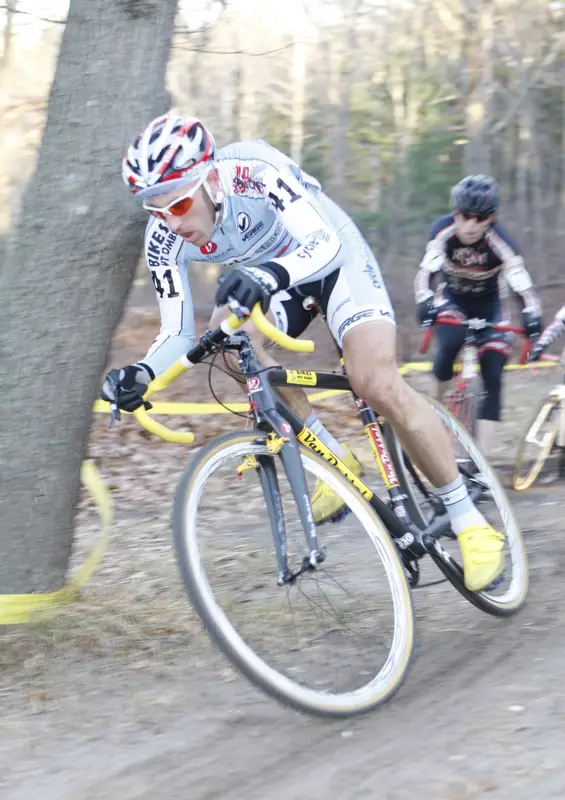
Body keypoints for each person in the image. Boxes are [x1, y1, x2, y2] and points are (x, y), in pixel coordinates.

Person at [103, 115, 506, 591]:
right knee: (227, 342)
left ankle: (469, 522)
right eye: (155, 210)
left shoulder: (253, 170)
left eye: (179, 203)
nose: (170, 220)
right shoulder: (164, 239)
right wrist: (143, 371)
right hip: (272, 279)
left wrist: (268, 274)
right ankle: (334, 460)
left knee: (374, 382)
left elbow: (323, 243)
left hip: (332, 259)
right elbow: (176, 331)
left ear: (210, 179)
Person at [414, 174, 542, 459]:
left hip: (491, 308)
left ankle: (483, 465)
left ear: (491, 219)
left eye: (480, 218)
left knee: (493, 374)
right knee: (449, 343)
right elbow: (427, 273)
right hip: (452, 301)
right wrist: (424, 301)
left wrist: (532, 315)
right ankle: (433, 418)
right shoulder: (442, 230)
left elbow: (522, 285)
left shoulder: (501, 242)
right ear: (454, 213)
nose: (470, 225)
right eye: (464, 216)